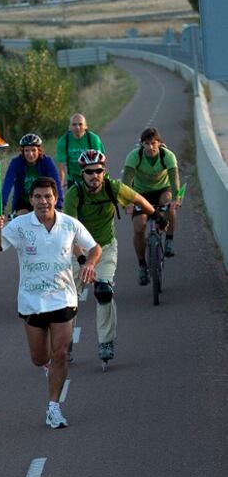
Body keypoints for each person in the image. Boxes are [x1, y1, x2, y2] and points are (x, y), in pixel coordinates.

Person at [0, 176, 101, 429]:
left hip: (63, 298)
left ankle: (53, 407)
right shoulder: (19, 226)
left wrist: (90, 264)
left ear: (55, 198)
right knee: (39, 358)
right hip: (31, 301)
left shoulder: (69, 225)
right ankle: (48, 367)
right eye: (37, 197)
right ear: (31, 199)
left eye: (47, 196)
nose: (43, 201)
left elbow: (94, 247)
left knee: (60, 353)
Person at [64, 150, 167, 365]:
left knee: (104, 291)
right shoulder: (75, 194)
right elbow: (70, 233)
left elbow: (138, 198)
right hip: (77, 251)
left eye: (99, 171)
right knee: (68, 301)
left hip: (106, 246)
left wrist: (157, 216)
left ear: (104, 171)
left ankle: (106, 342)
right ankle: (66, 342)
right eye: (89, 172)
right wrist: (83, 261)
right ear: (82, 174)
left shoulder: (113, 187)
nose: (94, 176)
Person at [122, 127, 181, 285]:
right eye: (146, 144)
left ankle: (169, 240)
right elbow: (126, 182)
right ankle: (142, 266)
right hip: (141, 194)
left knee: (169, 203)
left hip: (163, 190)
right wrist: (126, 203)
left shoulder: (167, 156)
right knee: (139, 226)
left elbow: (174, 180)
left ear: (159, 143)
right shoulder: (134, 156)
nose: (150, 147)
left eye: (153, 143)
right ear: (142, 145)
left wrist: (177, 198)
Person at [2, 133, 63, 215]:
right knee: (22, 217)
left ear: (39, 150)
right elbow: (7, 184)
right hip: (24, 201)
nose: (30, 154)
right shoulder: (16, 163)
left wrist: (59, 205)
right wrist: (1, 207)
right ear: (22, 151)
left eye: (33, 150)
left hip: (42, 198)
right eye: (27, 150)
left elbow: (56, 183)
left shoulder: (47, 161)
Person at [56, 112, 106, 188]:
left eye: (80, 124)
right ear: (69, 127)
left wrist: (103, 179)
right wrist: (60, 186)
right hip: (73, 179)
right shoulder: (63, 141)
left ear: (86, 126)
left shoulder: (93, 139)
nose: (77, 127)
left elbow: (101, 162)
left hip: (91, 177)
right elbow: (61, 167)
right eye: (74, 124)